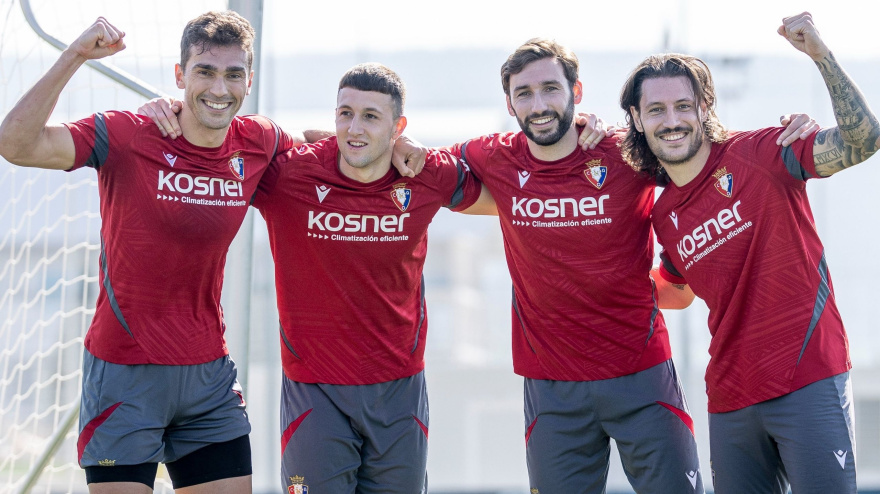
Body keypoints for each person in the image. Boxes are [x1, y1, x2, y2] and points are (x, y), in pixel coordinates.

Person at [0, 13, 294, 493]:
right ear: (180, 76)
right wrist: (76, 54)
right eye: (204, 71)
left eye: (233, 74)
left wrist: (397, 145)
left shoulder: (258, 141)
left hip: (208, 379)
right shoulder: (126, 134)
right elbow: (15, 143)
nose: (219, 87)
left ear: (249, 81)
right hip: (124, 376)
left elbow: (323, 152)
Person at [619, 12, 878, 494]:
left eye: (683, 106)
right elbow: (676, 292)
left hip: (808, 379)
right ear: (637, 118)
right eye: (656, 110)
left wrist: (821, 55)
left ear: (704, 108)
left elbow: (863, 141)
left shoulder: (763, 153)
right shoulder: (664, 214)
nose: (671, 121)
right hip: (731, 399)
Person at [254, 63, 495, 492]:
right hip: (315, 390)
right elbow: (227, 146)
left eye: (370, 116)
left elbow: (506, 197)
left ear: (398, 126)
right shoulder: (290, 175)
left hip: (399, 392)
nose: (354, 128)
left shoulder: (425, 174)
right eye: (345, 114)